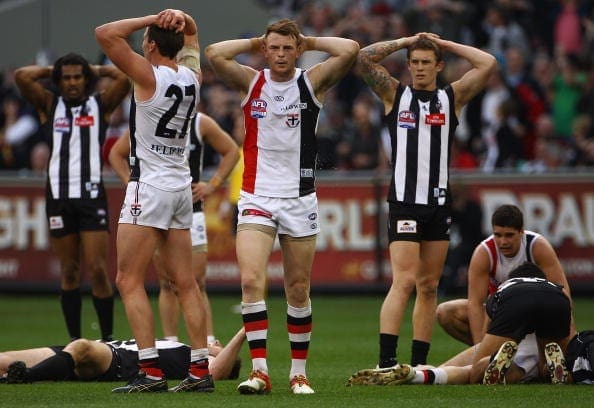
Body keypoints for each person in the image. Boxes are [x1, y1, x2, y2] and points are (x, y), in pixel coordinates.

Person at [205, 19, 359, 394]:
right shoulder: (251, 81)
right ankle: (260, 372)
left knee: (297, 288)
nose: (280, 55)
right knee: (250, 281)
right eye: (273, 48)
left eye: (288, 48)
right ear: (265, 49)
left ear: (297, 50)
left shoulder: (311, 81)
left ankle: (298, 373)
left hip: (299, 197)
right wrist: (256, 40)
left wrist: (309, 40)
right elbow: (213, 54)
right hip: (256, 196)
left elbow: (350, 49)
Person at [356, 32, 496, 368]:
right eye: (414, 62)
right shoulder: (394, 94)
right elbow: (362, 59)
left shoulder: (452, 98)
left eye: (426, 62)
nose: (419, 68)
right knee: (403, 280)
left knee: (429, 286)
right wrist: (405, 40)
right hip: (404, 202)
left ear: (439, 66)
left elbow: (488, 63)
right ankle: (386, 361)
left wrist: (446, 42)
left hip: (438, 204)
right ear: (408, 65)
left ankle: (419, 365)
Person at [95, 9, 212, 393]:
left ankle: (150, 371)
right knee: (187, 284)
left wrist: (152, 17)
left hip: (150, 187)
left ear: (149, 44)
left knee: (127, 280)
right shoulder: (192, 78)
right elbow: (193, 37)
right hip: (180, 186)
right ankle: (199, 372)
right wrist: (183, 18)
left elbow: (106, 32)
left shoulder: (147, 75)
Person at [14, 53, 130, 342]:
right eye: (66, 77)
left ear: (86, 79)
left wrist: (96, 68)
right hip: (58, 196)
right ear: (58, 80)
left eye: (78, 76)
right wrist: (52, 69)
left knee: (99, 271)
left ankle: (107, 341)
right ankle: (75, 344)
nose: (72, 82)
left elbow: (124, 77)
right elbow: (21, 77)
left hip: (91, 195)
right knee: (69, 271)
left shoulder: (100, 104)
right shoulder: (50, 105)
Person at [109, 112, 239, 344]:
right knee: (167, 283)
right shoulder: (147, 119)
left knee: (195, 281)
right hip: (157, 208)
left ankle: (207, 340)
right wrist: (132, 183)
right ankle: (171, 341)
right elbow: (116, 154)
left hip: (190, 209)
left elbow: (231, 150)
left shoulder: (200, 122)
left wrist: (213, 185)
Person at [347, 263, 572, 386]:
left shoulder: (505, 282)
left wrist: (485, 349)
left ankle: (419, 373)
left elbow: (486, 329)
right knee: (541, 369)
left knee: (475, 372)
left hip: (512, 316)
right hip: (557, 304)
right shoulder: (554, 286)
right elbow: (570, 333)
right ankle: (552, 370)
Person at [0, 328, 245, 385]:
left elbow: (216, 372)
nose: (213, 342)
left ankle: (26, 377)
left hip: (113, 359)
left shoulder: (198, 363)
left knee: (81, 346)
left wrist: (243, 333)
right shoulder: (180, 345)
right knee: (4, 359)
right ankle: (15, 374)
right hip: (96, 349)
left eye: (219, 346)